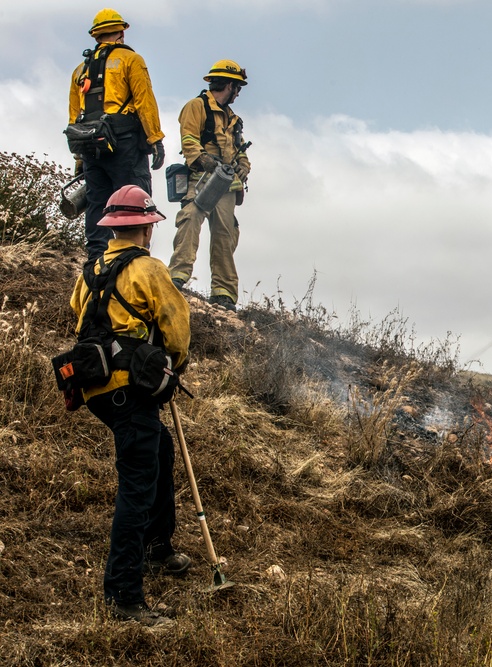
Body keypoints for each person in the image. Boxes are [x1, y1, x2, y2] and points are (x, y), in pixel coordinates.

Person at [70, 185, 191, 627]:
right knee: (137, 485)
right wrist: (172, 367)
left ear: (112, 227)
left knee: (159, 448)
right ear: (146, 228)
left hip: (96, 389)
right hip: (130, 389)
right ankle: (124, 594)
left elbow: (78, 315)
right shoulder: (149, 268)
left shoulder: (91, 270)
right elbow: (177, 329)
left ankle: (158, 547)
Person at [68, 9, 165, 261]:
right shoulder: (131, 60)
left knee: (96, 201)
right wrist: (155, 139)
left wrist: (79, 158)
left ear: (96, 35)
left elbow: (74, 115)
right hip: (125, 145)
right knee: (134, 199)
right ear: (121, 32)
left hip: (90, 146)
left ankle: (96, 259)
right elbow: (145, 101)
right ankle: (133, 258)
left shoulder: (80, 70)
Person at [168, 60, 251, 312]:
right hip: (201, 178)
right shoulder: (197, 106)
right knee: (190, 218)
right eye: (237, 88)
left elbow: (239, 150)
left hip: (227, 185)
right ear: (229, 85)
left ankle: (223, 293)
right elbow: (189, 140)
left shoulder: (233, 119)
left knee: (225, 234)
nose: (238, 94)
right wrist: (204, 159)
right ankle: (176, 277)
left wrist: (243, 166)